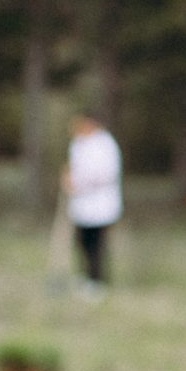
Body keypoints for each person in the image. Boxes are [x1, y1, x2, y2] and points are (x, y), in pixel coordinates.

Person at [63, 112, 121, 295]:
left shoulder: (104, 144)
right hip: (81, 205)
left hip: (100, 205)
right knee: (82, 242)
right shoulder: (78, 143)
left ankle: (97, 281)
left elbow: (105, 174)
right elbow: (75, 167)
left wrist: (79, 182)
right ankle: (86, 276)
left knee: (96, 244)